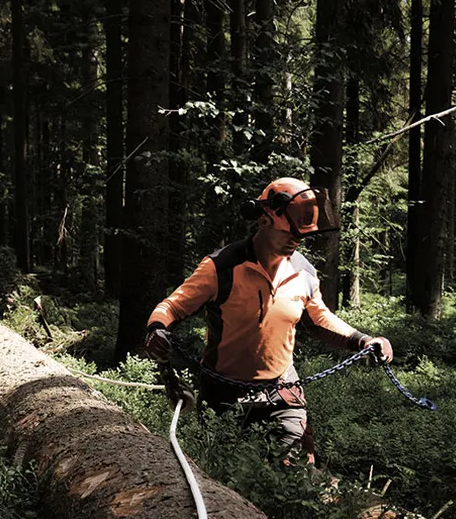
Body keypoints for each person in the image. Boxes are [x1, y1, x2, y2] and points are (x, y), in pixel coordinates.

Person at [144, 177, 392, 464]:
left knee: (298, 473)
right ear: (263, 221)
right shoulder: (221, 267)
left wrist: (363, 340)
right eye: (289, 233)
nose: (295, 241)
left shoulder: (305, 273)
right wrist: (156, 329)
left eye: (300, 236)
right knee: (227, 480)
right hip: (224, 392)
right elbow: (171, 306)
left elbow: (320, 318)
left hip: (282, 388)